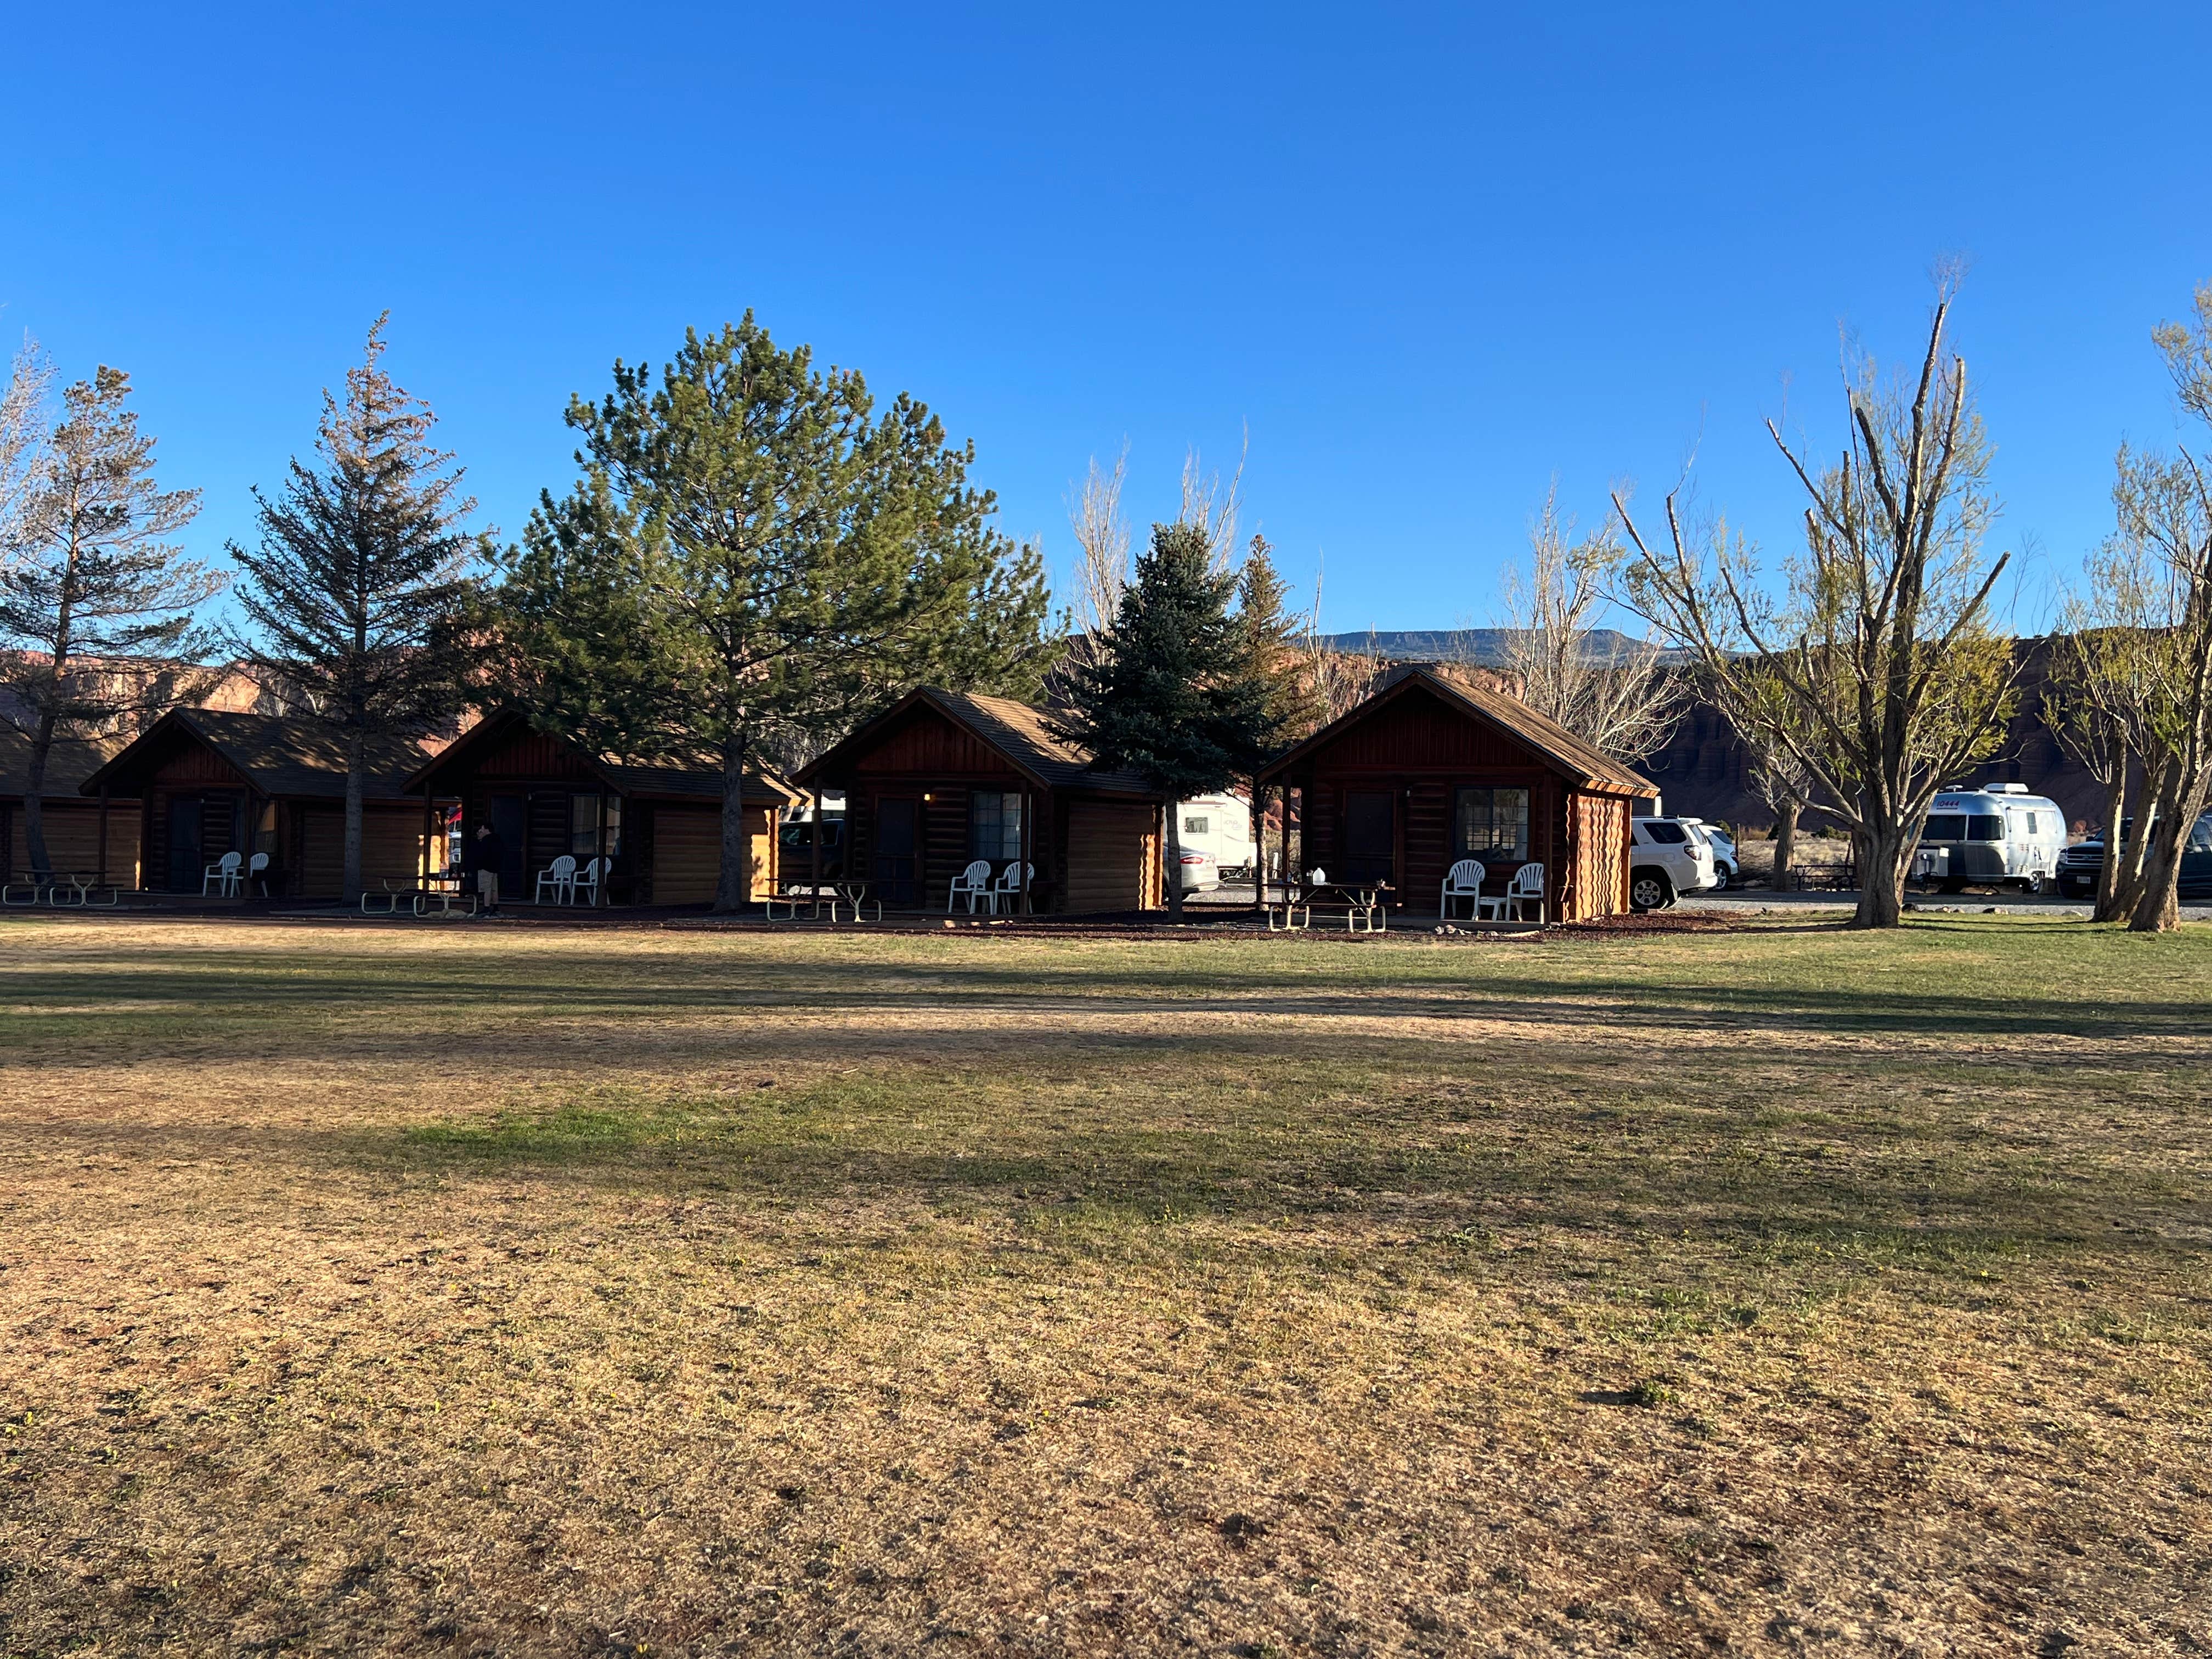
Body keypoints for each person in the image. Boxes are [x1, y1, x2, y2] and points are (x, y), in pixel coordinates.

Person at [467, 820, 505, 915]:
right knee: (494, 888)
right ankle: (496, 907)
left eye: (482, 829)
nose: (481, 831)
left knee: (486, 889)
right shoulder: (497, 839)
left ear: (487, 829)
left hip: (485, 867)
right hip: (495, 867)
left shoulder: (486, 840)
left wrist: (477, 865)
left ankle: (487, 907)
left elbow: (481, 854)